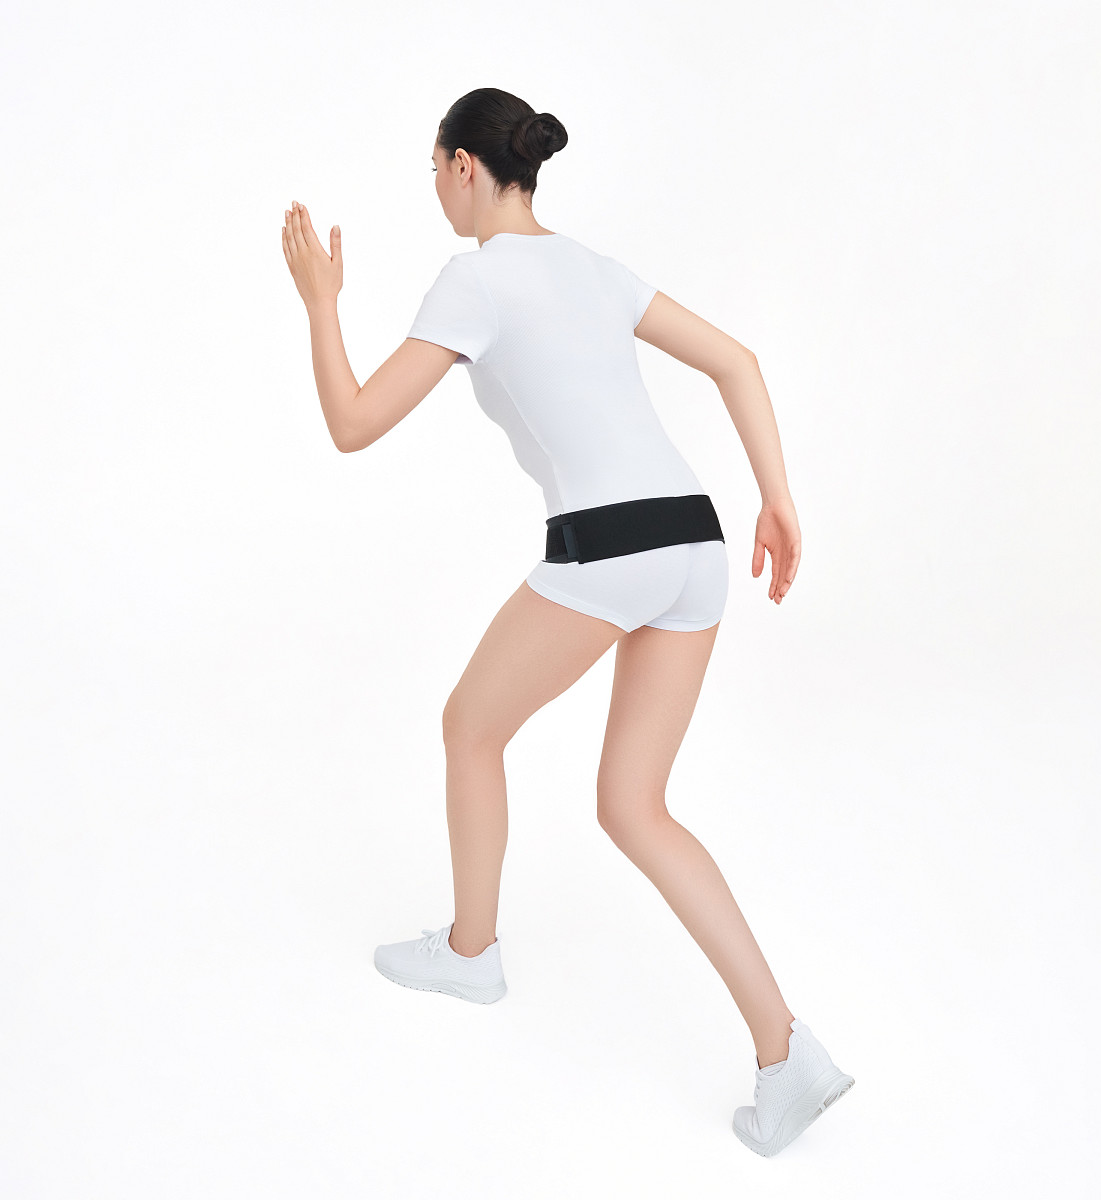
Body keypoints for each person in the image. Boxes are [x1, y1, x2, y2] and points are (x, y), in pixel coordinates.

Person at [281, 86, 853, 1158]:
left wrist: (321, 301)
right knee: (636, 805)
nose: (435, 189)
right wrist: (776, 499)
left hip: (614, 546)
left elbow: (353, 423)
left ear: (464, 167)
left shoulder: (473, 278)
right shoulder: (593, 266)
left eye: (433, 169)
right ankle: (787, 1055)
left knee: (469, 728)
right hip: (695, 541)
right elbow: (738, 361)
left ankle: (472, 952)